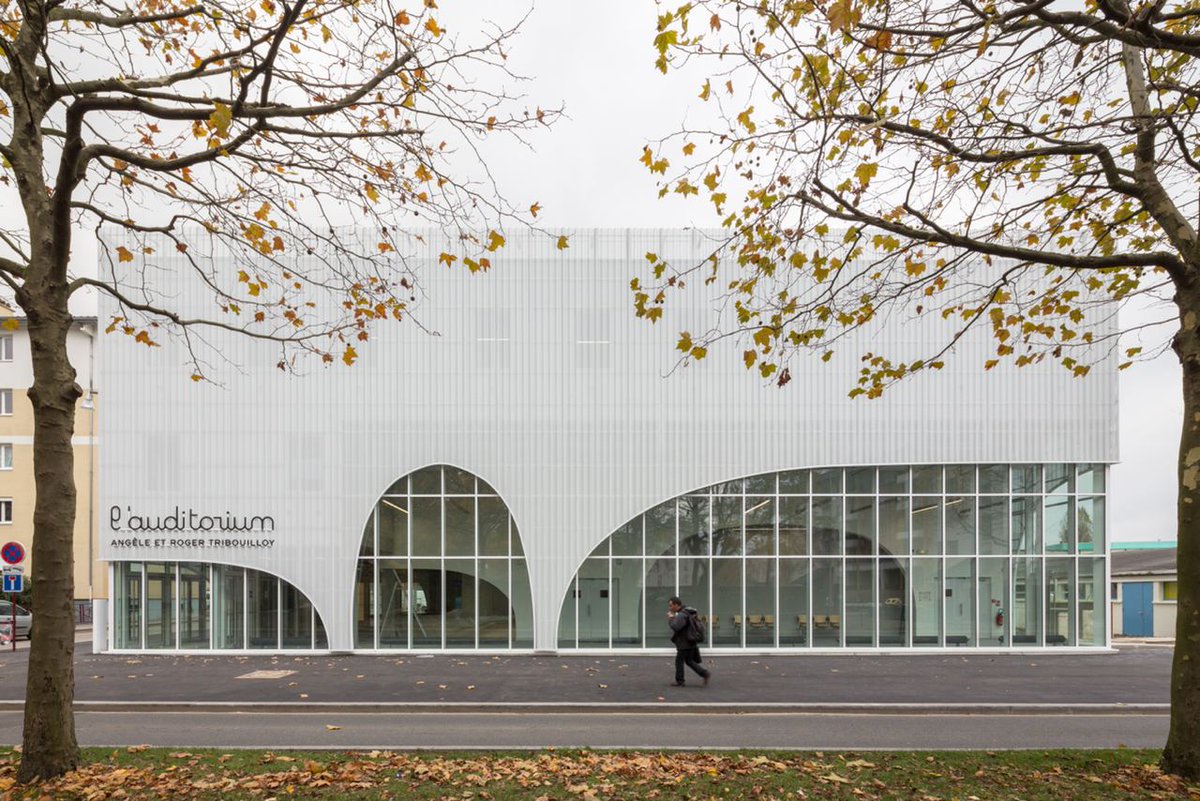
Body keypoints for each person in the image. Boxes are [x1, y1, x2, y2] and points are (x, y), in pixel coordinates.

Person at [667, 596, 711, 687]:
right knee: (689, 660)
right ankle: (704, 673)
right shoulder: (688, 612)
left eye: (671, 605)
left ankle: (680, 681)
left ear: (676, 605)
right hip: (691, 640)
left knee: (679, 661)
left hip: (684, 642)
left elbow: (676, 627)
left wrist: (671, 618)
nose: (670, 608)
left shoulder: (682, 615)